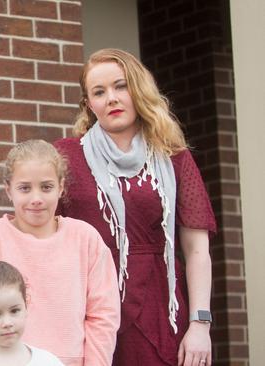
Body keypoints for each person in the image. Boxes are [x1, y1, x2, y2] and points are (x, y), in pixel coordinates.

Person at [54, 48, 216, 366]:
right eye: (99, 92)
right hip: (87, 305)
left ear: (138, 90)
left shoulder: (175, 158)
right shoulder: (65, 156)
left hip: (160, 307)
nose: (111, 98)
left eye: (120, 86)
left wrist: (200, 324)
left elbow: (197, 248)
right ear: (89, 105)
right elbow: (42, 230)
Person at [0, 139, 120, 365]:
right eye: (24, 188)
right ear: (8, 190)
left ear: (61, 187)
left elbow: (103, 314)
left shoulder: (85, 238)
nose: (36, 199)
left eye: (46, 187)